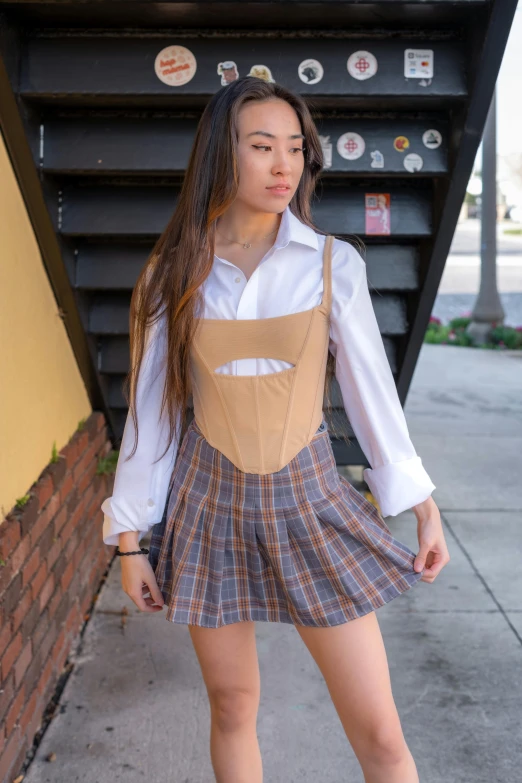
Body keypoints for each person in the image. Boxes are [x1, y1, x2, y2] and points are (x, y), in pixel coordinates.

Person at [101, 75, 450, 783]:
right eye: (262, 146)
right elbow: (153, 417)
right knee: (232, 705)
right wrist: (129, 539)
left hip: (312, 502)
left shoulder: (332, 264)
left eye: (295, 146)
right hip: (209, 508)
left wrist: (421, 503)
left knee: (380, 730)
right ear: (221, 156)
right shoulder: (171, 275)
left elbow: (372, 396)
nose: (283, 163)